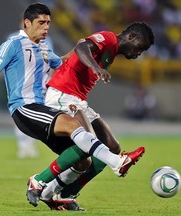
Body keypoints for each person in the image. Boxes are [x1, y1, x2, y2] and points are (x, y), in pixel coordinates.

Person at [0, 2, 144, 210]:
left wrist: (76, 48)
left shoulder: (45, 48)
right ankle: (114, 163)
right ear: (26, 23)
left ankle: (50, 195)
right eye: (41, 22)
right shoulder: (12, 44)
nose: (46, 27)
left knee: (82, 159)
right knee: (72, 126)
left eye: (48, 22)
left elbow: (62, 62)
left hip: (43, 109)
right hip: (25, 108)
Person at [35, 22, 155, 210]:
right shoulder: (108, 39)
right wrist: (96, 68)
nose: (139, 53)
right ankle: (40, 182)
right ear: (131, 37)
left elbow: (79, 47)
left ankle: (67, 192)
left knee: (113, 146)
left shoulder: (112, 50)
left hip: (78, 100)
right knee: (88, 144)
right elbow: (82, 47)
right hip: (63, 94)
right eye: (140, 47)